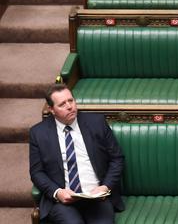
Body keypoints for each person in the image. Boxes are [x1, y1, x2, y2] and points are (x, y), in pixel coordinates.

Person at [29, 84, 124, 224]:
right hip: (62, 202)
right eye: (62, 104)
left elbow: (117, 159)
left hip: (96, 197)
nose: (69, 106)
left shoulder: (96, 123)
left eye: (71, 100)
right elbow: (37, 172)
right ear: (51, 109)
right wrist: (57, 192)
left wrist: (105, 187)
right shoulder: (38, 133)